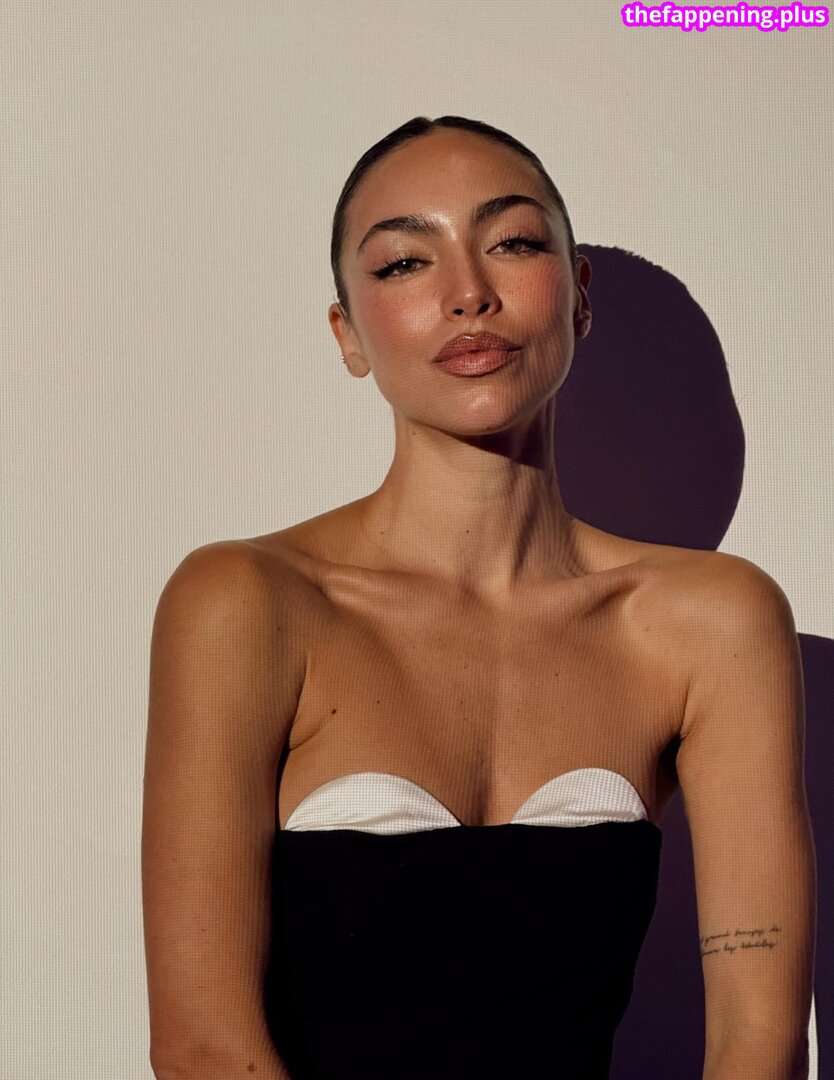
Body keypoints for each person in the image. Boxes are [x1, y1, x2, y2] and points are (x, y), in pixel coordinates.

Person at [142, 116, 816, 1080]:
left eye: (513, 243)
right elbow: (204, 1049)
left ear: (579, 297)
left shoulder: (712, 621)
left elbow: (758, 1043)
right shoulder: (247, 602)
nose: (468, 293)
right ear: (349, 335)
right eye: (404, 263)